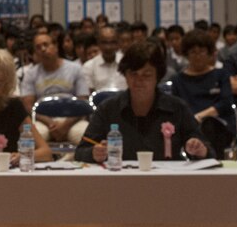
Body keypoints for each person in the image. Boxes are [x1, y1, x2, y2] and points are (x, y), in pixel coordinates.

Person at [75, 40, 212, 162]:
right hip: (121, 181)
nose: (139, 81)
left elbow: (208, 151)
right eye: (133, 74)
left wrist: (199, 150)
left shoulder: (177, 108)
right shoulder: (108, 109)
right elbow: (80, 152)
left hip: (166, 182)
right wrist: (94, 153)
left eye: (147, 75)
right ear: (125, 76)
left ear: (157, 77)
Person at [170, 29, 235, 159]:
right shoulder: (178, 80)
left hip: (217, 124)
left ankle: (211, 160)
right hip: (188, 125)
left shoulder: (221, 74)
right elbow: (176, 106)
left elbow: (225, 103)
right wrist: (191, 120)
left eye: (201, 51)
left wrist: (200, 116)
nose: (197, 56)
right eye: (193, 52)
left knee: (209, 125)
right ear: (186, 54)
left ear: (209, 53)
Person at [22, 32, 90, 145]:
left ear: (56, 47)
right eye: (38, 47)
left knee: (85, 135)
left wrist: (65, 125)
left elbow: (82, 102)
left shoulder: (75, 69)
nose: (43, 49)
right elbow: (28, 106)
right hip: (43, 120)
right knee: (31, 138)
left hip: (72, 119)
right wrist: (50, 123)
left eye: (46, 45)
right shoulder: (31, 74)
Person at [82, 26, 127, 92]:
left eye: (112, 42)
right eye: (104, 42)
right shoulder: (89, 66)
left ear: (118, 43)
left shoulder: (127, 62)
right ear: (98, 43)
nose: (108, 47)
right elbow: (89, 94)